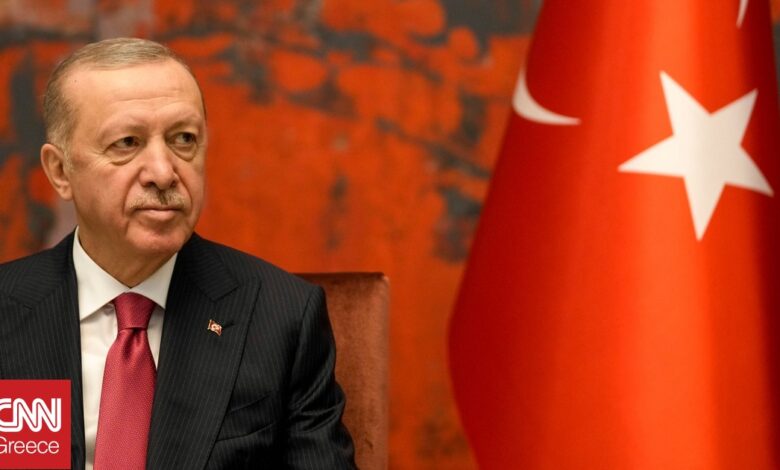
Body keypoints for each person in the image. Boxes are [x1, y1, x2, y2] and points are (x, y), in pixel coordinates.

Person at [0, 37, 355, 469]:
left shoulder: (281, 319)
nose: (164, 172)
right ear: (60, 171)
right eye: (127, 143)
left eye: (183, 139)